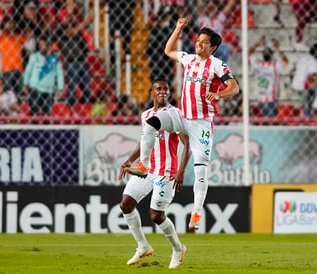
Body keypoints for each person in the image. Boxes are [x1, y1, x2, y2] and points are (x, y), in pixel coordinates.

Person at [124, 19, 240, 231]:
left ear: (213, 47)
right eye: (198, 40)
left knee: (201, 169)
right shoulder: (189, 59)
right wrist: (177, 28)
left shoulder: (216, 65)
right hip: (181, 115)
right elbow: (168, 50)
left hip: (201, 123)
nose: (199, 44)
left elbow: (234, 88)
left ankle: (196, 213)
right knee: (151, 122)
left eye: (204, 42)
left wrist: (218, 94)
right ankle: (143, 164)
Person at [118, 78, 190, 269]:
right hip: (148, 169)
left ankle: (177, 248)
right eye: (158, 89)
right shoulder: (146, 115)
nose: (163, 92)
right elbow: (144, 142)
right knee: (126, 204)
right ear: (152, 93)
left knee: (156, 216)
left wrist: (181, 172)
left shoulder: (174, 115)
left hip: (166, 172)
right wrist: (130, 160)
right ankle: (142, 245)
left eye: (166, 89)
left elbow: (187, 144)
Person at [53, 8, 93, 108]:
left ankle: (84, 109)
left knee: (87, 90)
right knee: (73, 89)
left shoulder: (76, 30)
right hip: (71, 63)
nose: (68, 19)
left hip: (82, 62)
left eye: (69, 17)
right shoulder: (59, 30)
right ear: (61, 18)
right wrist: (88, 20)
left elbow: (84, 45)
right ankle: (69, 110)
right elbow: (72, 31)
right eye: (66, 17)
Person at [23, 38, 64, 116]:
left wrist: (60, 89)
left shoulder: (55, 59)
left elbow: (60, 75)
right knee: (34, 115)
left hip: (49, 91)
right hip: (35, 89)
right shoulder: (34, 57)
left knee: (47, 116)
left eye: (43, 45)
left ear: (48, 46)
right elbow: (28, 71)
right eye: (39, 45)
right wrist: (25, 84)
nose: (40, 47)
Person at [248, 37, 288, 117]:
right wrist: (278, 48)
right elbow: (285, 61)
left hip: (260, 98)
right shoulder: (274, 66)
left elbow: (249, 52)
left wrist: (258, 43)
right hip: (271, 99)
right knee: (271, 122)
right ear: (272, 55)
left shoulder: (257, 64)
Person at [291, 43, 317, 117]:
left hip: (295, 84)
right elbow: (310, 78)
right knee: (307, 102)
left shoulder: (303, 57)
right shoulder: (313, 62)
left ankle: (310, 111)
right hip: (302, 87)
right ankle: (306, 117)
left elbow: (293, 70)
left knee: (313, 93)